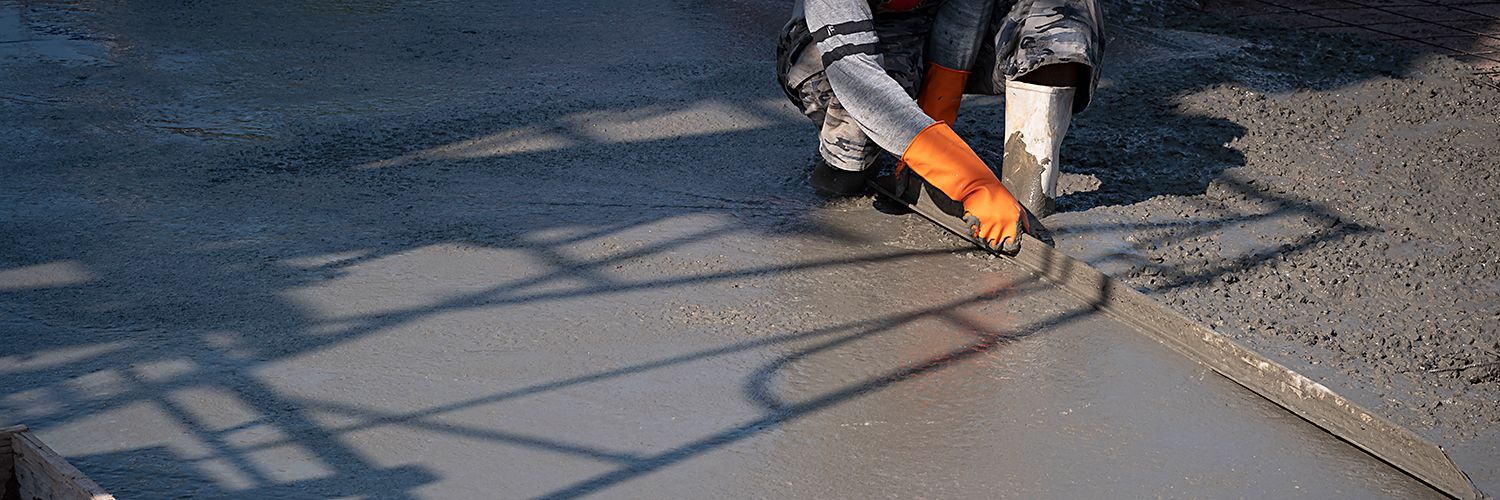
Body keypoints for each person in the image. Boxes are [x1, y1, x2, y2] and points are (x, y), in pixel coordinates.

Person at [776, 0, 1104, 252]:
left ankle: (1025, 204)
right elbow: (859, 78)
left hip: (941, 23)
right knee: (855, 137)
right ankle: (844, 166)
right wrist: (967, 179)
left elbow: (965, 13)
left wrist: (936, 116)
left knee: (1060, 15)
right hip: (860, 39)